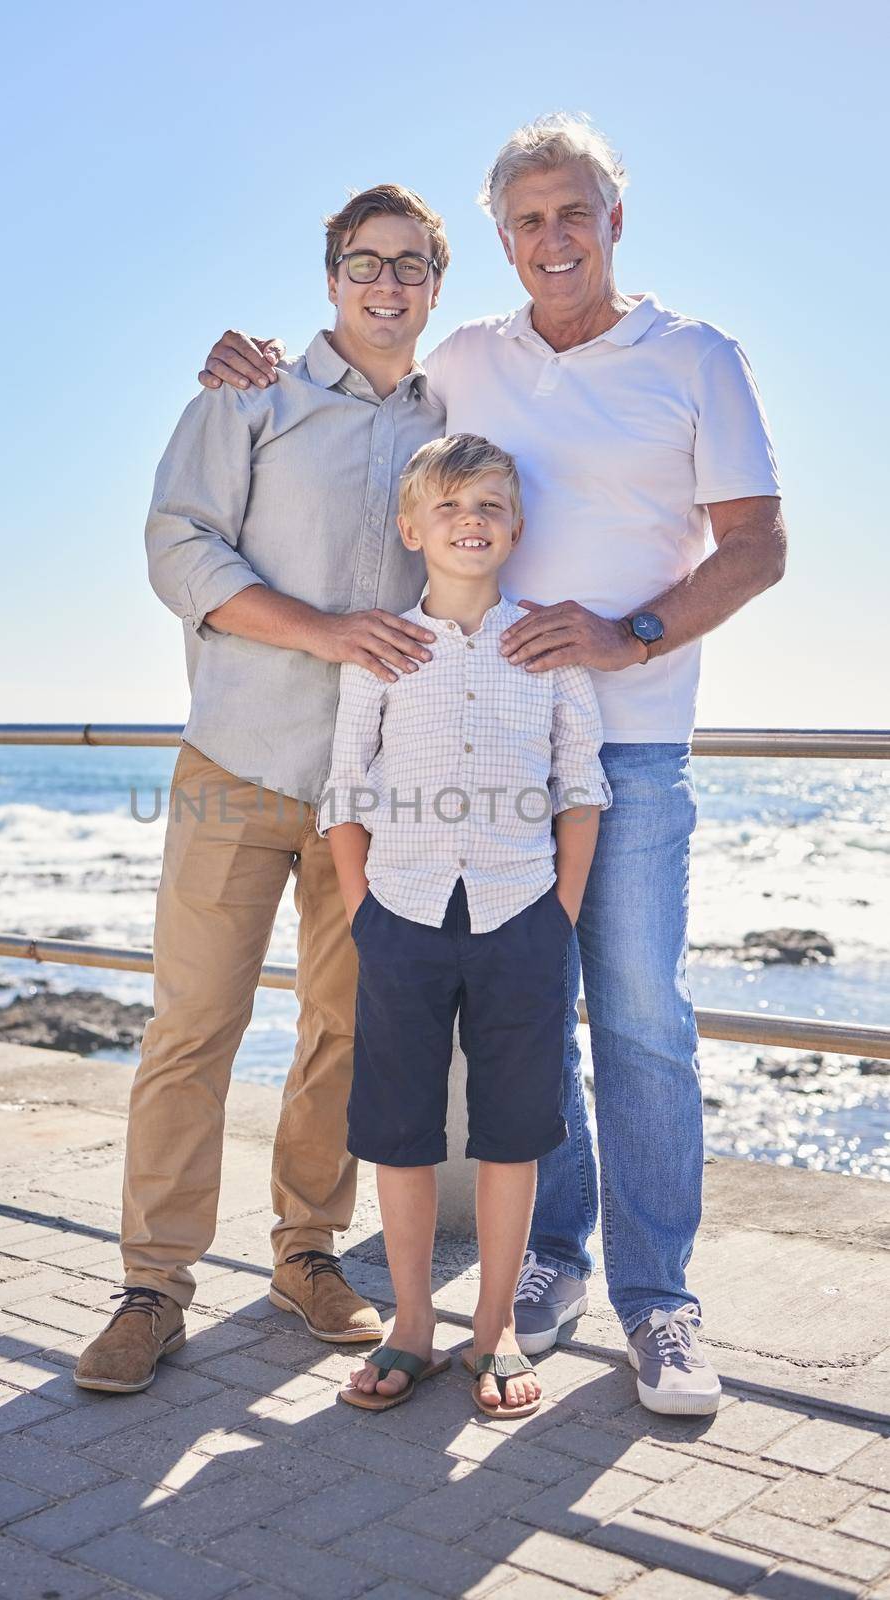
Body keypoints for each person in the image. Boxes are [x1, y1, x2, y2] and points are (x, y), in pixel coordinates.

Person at [195, 113, 786, 1414]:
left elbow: (751, 546)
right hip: (470, 765)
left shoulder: (693, 356)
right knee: (535, 1040)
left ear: (612, 219)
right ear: (504, 241)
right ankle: (546, 1267)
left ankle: (660, 1303)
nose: (550, 238)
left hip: (622, 751)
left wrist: (631, 635)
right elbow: (359, 391)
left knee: (636, 1024)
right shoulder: (466, 358)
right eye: (524, 220)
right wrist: (252, 364)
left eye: (571, 212)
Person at [75, 184, 450, 1394]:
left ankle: (306, 1255)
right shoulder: (250, 391)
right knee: (192, 1029)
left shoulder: (454, 413)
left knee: (341, 1032)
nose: (384, 283)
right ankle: (152, 1286)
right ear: (330, 275)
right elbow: (177, 548)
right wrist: (327, 631)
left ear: (436, 284)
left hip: (372, 789)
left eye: (408, 264)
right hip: (237, 764)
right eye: (363, 261)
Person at [321, 434, 611, 1418]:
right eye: (446, 508)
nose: (468, 522)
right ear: (412, 528)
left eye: (487, 505)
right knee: (397, 1132)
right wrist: (363, 912)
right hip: (398, 916)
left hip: (519, 917)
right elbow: (343, 790)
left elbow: (579, 785)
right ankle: (410, 1326)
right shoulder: (382, 652)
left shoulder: (547, 647)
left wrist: (556, 914)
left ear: (514, 524)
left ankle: (488, 1336)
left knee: (512, 1131)